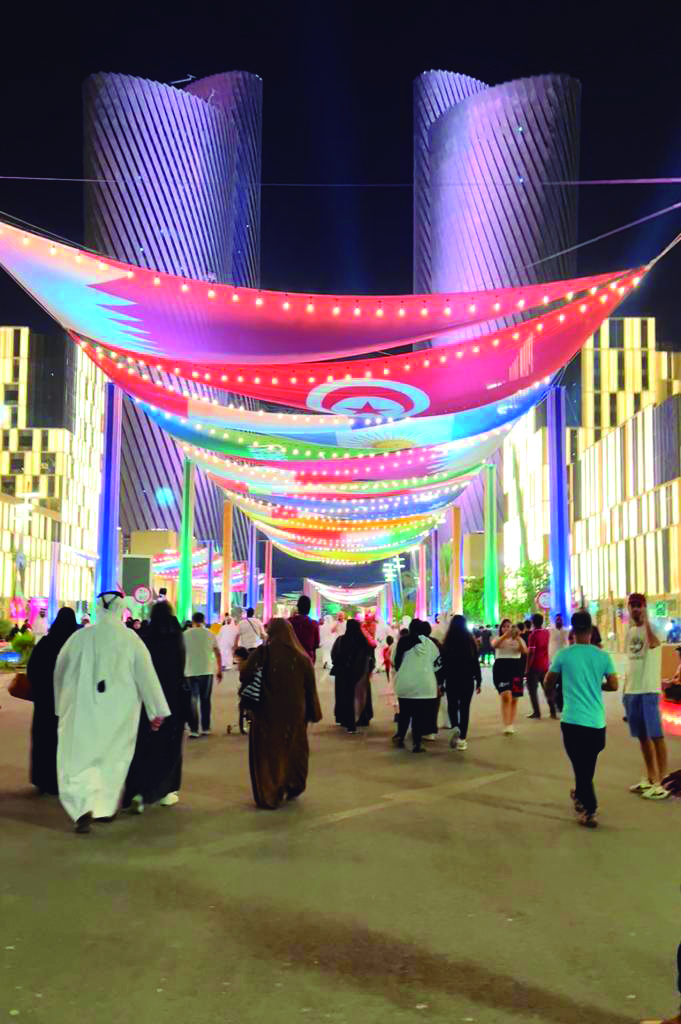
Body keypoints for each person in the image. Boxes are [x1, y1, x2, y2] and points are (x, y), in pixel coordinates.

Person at [53, 591, 170, 834]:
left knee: (78, 759)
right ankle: (104, 807)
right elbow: (146, 675)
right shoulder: (131, 639)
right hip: (119, 713)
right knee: (112, 760)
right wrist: (156, 710)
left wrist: (60, 705)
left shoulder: (79, 637)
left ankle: (81, 808)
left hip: (81, 711)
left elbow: (60, 672)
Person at [544, 610, 618, 828]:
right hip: (596, 723)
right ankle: (580, 796)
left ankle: (590, 808)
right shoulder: (602, 656)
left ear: (573, 630)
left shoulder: (564, 656)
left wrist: (555, 687)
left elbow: (548, 681)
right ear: (591, 628)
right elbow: (614, 685)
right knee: (586, 765)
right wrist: (597, 685)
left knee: (581, 766)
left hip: (573, 720)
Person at [239, 618, 322, 809]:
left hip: (266, 713)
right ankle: (293, 784)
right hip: (295, 714)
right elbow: (310, 687)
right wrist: (313, 712)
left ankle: (269, 794)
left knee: (268, 753)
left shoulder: (263, 653)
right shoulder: (302, 657)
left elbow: (245, 674)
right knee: (294, 749)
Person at [124, 601, 186, 813]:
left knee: (144, 744)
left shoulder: (145, 637)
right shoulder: (176, 636)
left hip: (145, 701)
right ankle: (164, 791)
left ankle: (138, 791)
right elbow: (180, 669)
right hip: (172, 701)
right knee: (168, 746)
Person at [27, 607, 78, 795]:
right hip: (68, 703)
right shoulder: (74, 645)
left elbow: (32, 669)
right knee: (64, 741)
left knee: (44, 738)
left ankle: (42, 778)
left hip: (44, 702)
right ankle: (63, 779)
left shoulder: (45, 643)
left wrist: (40, 690)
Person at [624, 592, 670, 800]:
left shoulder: (655, 627)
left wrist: (647, 622)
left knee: (656, 735)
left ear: (645, 606)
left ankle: (663, 781)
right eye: (632, 605)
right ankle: (651, 778)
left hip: (649, 690)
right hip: (632, 691)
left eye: (639, 605)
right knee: (642, 736)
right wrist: (625, 691)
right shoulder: (630, 631)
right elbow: (630, 663)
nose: (635, 608)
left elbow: (653, 643)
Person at [392, 619, 442, 753]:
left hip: (405, 684)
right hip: (425, 685)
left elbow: (394, 661)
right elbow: (438, 664)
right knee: (419, 716)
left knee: (405, 713)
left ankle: (400, 736)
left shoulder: (402, 642)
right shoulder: (430, 644)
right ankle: (417, 743)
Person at [441, 614, 481, 751]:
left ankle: (455, 727)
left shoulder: (447, 642)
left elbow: (443, 664)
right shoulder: (470, 642)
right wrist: (479, 680)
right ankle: (462, 739)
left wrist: (440, 682)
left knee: (452, 705)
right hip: (467, 680)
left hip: (452, 680)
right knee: (464, 709)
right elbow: (475, 662)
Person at [330, 618, 373, 732]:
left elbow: (334, 655)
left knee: (346, 696)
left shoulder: (341, 640)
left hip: (344, 675)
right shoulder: (363, 641)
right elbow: (370, 656)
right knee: (360, 696)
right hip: (361, 674)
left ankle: (347, 720)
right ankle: (362, 717)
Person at [184, 611, 222, 738]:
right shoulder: (210, 634)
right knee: (205, 700)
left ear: (193, 621)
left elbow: (181, 653)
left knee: (192, 701)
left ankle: (194, 729)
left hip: (190, 671)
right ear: (204, 620)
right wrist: (219, 670)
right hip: (206, 670)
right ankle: (206, 728)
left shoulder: (185, 635)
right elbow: (217, 652)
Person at [491, 619, 527, 734]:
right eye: (504, 627)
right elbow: (494, 645)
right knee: (506, 695)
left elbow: (525, 651)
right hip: (501, 668)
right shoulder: (498, 638)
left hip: (516, 668)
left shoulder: (519, 639)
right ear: (501, 628)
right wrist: (504, 636)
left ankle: (511, 724)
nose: (506, 629)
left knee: (515, 698)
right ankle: (506, 723)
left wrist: (517, 638)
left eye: (509, 627)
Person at [525, 612, 556, 719]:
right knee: (547, 689)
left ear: (533, 622)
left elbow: (531, 653)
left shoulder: (533, 635)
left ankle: (537, 712)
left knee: (532, 690)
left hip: (535, 667)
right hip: (545, 665)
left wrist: (527, 668)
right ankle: (553, 711)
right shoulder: (546, 633)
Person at [290, 595, 321, 664]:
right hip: (308, 658)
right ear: (309, 608)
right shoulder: (314, 624)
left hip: (292, 658)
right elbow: (317, 643)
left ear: (298, 607)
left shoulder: (289, 622)